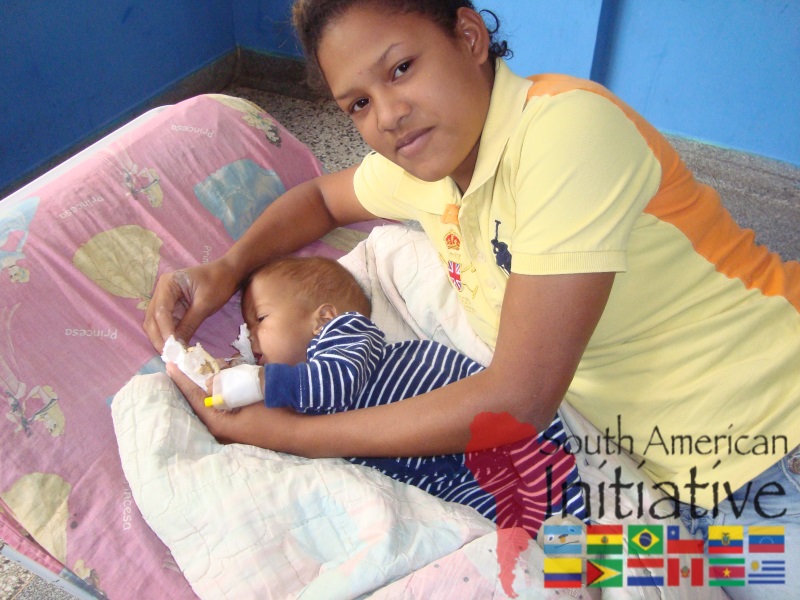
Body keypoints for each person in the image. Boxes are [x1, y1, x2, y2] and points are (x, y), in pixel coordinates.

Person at [146, 2, 799, 596]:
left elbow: (517, 398)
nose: (388, 116)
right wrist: (226, 269)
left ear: (468, 36)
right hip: (651, 470)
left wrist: (293, 433)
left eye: (401, 68)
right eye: (358, 105)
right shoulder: (427, 171)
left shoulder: (564, 132)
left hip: (772, 436)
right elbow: (320, 199)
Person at [206, 254, 587, 536]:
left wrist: (260, 382)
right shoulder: (303, 392)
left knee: (559, 510)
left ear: (323, 316)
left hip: (498, 442)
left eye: (260, 319)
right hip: (449, 477)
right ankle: (581, 579)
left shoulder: (346, 335)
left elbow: (334, 383)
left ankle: (610, 567)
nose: (250, 336)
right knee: (512, 536)